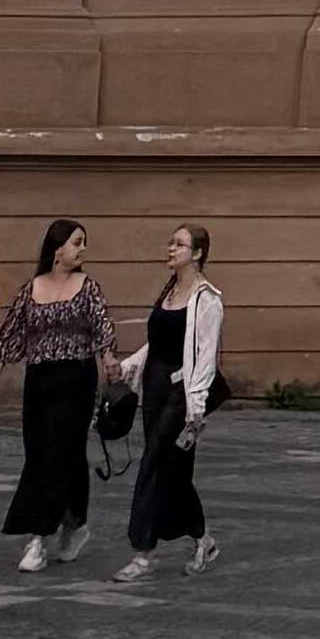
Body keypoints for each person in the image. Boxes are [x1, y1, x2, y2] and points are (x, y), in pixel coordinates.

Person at [0, 219, 119, 571]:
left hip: (76, 378)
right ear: (57, 248)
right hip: (40, 379)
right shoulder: (31, 288)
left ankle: (38, 538)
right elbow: (9, 337)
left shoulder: (87, 287)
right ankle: (75, 522)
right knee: (42, 453)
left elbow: (103, 328)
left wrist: (109, 360)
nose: (82, 249)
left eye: (84, 242)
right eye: (77, 242)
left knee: (59, 453)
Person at [116, 224, 223, 583]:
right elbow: (157, 343)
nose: (171, 248)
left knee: (152, 464)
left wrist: (196, 407)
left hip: (182, 393)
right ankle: (203, 539)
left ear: (197, 254)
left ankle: (142, 553)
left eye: (180, 244)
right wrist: (128, 366)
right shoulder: (169, 291)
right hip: (155, 388)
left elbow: (205, 356)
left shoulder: (206, 300)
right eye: (171, 242)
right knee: (173, 472)